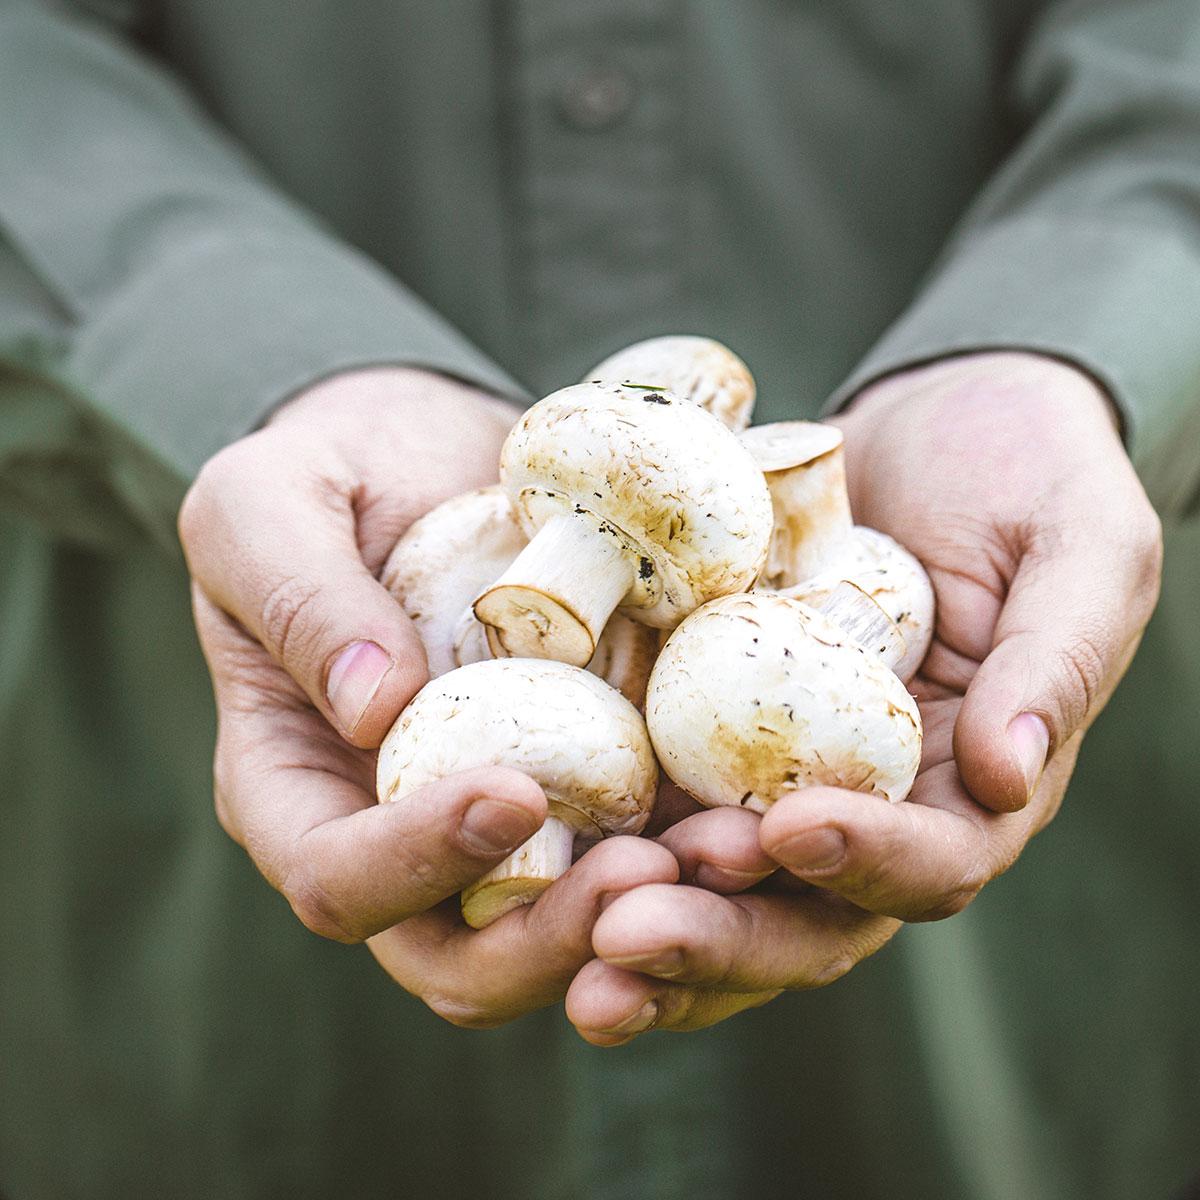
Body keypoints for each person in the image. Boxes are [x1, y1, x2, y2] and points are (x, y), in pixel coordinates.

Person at [1, 1, 1196, 1197]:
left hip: (995, 887)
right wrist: (258, 364)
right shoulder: (512, 545)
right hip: (169, 783)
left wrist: (1070, 343)